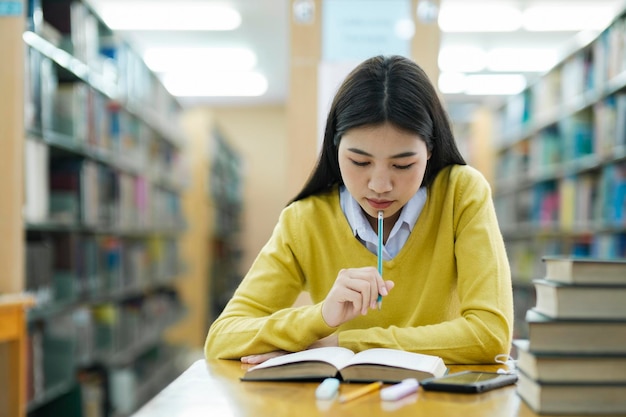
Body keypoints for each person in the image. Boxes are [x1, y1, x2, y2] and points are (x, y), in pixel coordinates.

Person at [204, 55, 514, 365]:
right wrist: (321, 316)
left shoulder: (461, 193)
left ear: (430, 151)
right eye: (360, 162)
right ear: (335, 148)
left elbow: (491, 335)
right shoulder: (305, 219)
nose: (379, 185)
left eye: (403, 164)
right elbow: (223, 337)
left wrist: (341, 342)